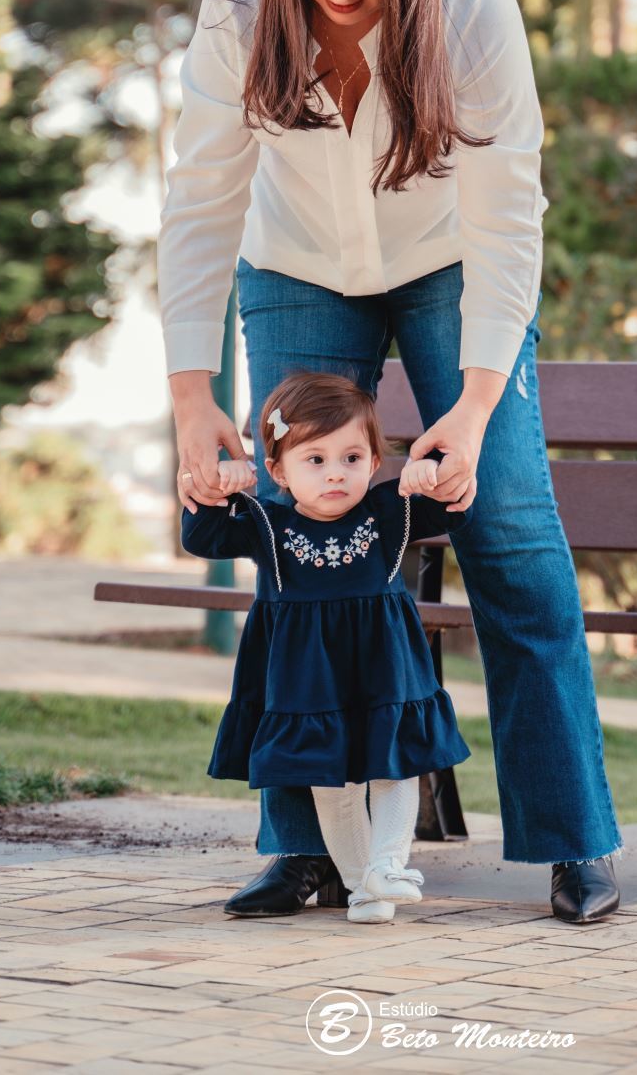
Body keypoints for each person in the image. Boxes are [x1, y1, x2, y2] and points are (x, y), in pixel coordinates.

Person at [161, 0, 622, 926]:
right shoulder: (239, 1)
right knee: (298, 542)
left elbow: (509, 214)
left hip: (450, 262)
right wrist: (188, 393)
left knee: (509, 530)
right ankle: (304, 848)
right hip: (296, 268)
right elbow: (203, 194)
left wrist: (474, 403)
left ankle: (573, 839)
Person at [181, 369, 473, 924]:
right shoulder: (268, 524)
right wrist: (220, 488)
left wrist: (429, 474)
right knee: (332, 787)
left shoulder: (388, 510)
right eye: (314, 459)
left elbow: (456, 508)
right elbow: (202, 536)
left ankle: (389, 865)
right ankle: (364, 888)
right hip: (310, 681)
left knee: (395, 768)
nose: (335, 473)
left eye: (351, 458)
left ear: (374, 462)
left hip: (385, 670)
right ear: (278, 471)